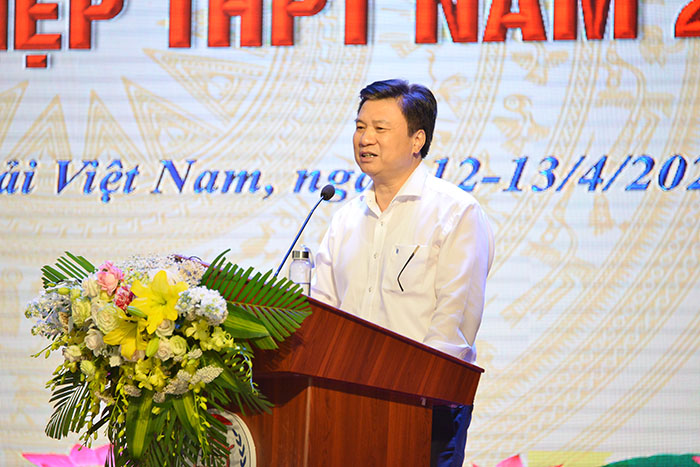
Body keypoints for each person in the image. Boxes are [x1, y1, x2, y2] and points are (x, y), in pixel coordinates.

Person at [312, 79, 494, 467]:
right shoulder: (344, 219)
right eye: (360, 127)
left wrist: (409, 390)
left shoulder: (455, 212)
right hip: (345, 406)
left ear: (417, 140)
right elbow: (322, 312)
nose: (365, 139)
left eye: (380, 128)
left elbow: (454, 324)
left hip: (425, 411)